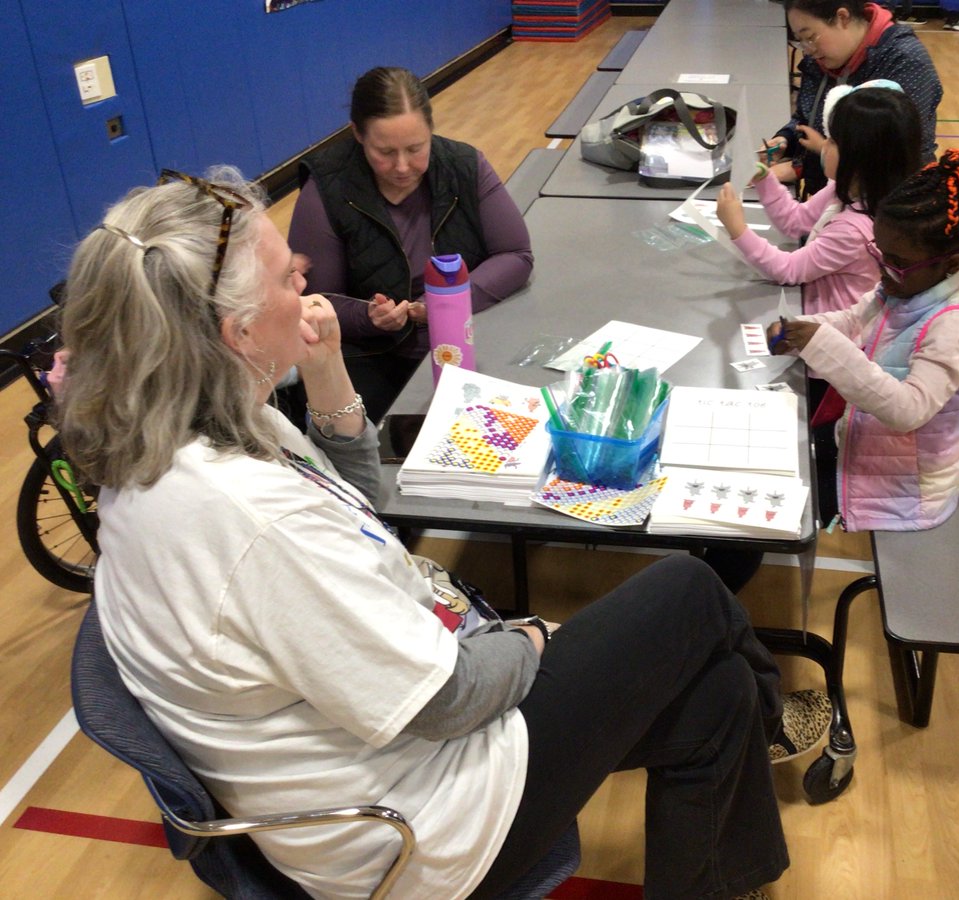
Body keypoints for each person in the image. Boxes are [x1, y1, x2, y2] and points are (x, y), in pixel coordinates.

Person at [57, 167, 801, 899]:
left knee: (721, 695)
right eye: (289, 277)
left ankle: (736, 828)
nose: (308, 284)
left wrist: (325, 371)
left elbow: (354, 516)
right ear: (238, 333)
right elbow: (449, 699)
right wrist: (537, 635)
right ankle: (774, 713)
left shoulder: (181, 426)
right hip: (418, 832)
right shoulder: (247, 520)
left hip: (399, 741)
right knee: (690, 591)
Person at [767, 149, 959, 532]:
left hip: (905, 492)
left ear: (953, 263)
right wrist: (799, 329)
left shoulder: (956, 323)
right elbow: (852, 319)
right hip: (867, 446)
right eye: (878, 251)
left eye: (893, 260)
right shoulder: (907, 280)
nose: (882, 269)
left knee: (780, 495)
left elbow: (908, 409)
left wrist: (822, 345)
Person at [288, 67, 534, 422]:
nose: (402, 167)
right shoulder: (327, 188)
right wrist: (369, 317)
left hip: (467, 338)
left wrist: (444, 302)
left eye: (416, 149)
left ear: (431, 131)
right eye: (384, 152)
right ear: (358, 134)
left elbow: (516, 255)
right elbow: (313, 301)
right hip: (375, 356)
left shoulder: (464, 165)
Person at [716, 82, 922, 314]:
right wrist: (765, 179)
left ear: (859, 157)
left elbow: (788, 270)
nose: (823, 146)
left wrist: (737, 229)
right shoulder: (845, 189)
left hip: (832, 331)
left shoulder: (852, 231)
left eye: (832, 141)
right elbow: (795, 222)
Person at [765, 0, 942, 198]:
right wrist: (786, 139)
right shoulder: (821, 59)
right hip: (833, 198)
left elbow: (891, 156)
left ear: (843, 17)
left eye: (810, 37)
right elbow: (807, 115)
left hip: (889, 206)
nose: (808, 50)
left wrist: (803, 165)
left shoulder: (906, 63)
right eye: (800, 41)